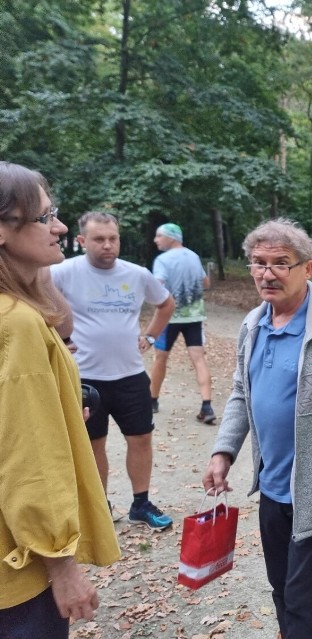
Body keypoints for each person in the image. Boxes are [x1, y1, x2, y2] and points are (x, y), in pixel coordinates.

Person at [203, 218, 312, 639]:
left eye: (281, 263)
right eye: (259, 263)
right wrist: (222, 452)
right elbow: (241, 393)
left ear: (307, 268)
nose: (268, 273)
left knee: (306, 605)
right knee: (282, 590)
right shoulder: (252, 325)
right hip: (272, 489)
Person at [0, 162, 120, 638]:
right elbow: (29, 459)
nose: (60, 227)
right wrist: (63, 568)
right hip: (19, 569)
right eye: (43, 216)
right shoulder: (17, 325)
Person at [51, 211, 176, 530]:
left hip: (131, 376)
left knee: (141, 439)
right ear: (81, 241)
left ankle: (141, 504)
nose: (108, 245)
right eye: (99, 239)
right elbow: (36, 303)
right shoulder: (62, 272)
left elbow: (166, 303)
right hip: (84, 378)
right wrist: (56, 340)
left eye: (113, 239)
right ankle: (100, 507)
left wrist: (150, 336)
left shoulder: (136, 273)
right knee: (94, 445)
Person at [148, 223, 216, 423]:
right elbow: (206, 283)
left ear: (171, 237)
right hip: (194, 316)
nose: (155, 240)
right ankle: (207, 406)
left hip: (169, 318)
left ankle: (152, 401)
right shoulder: (193, 256)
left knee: (160, 358)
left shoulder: (162, 260)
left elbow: (156, 287)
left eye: (159, 236)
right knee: (199, 359)